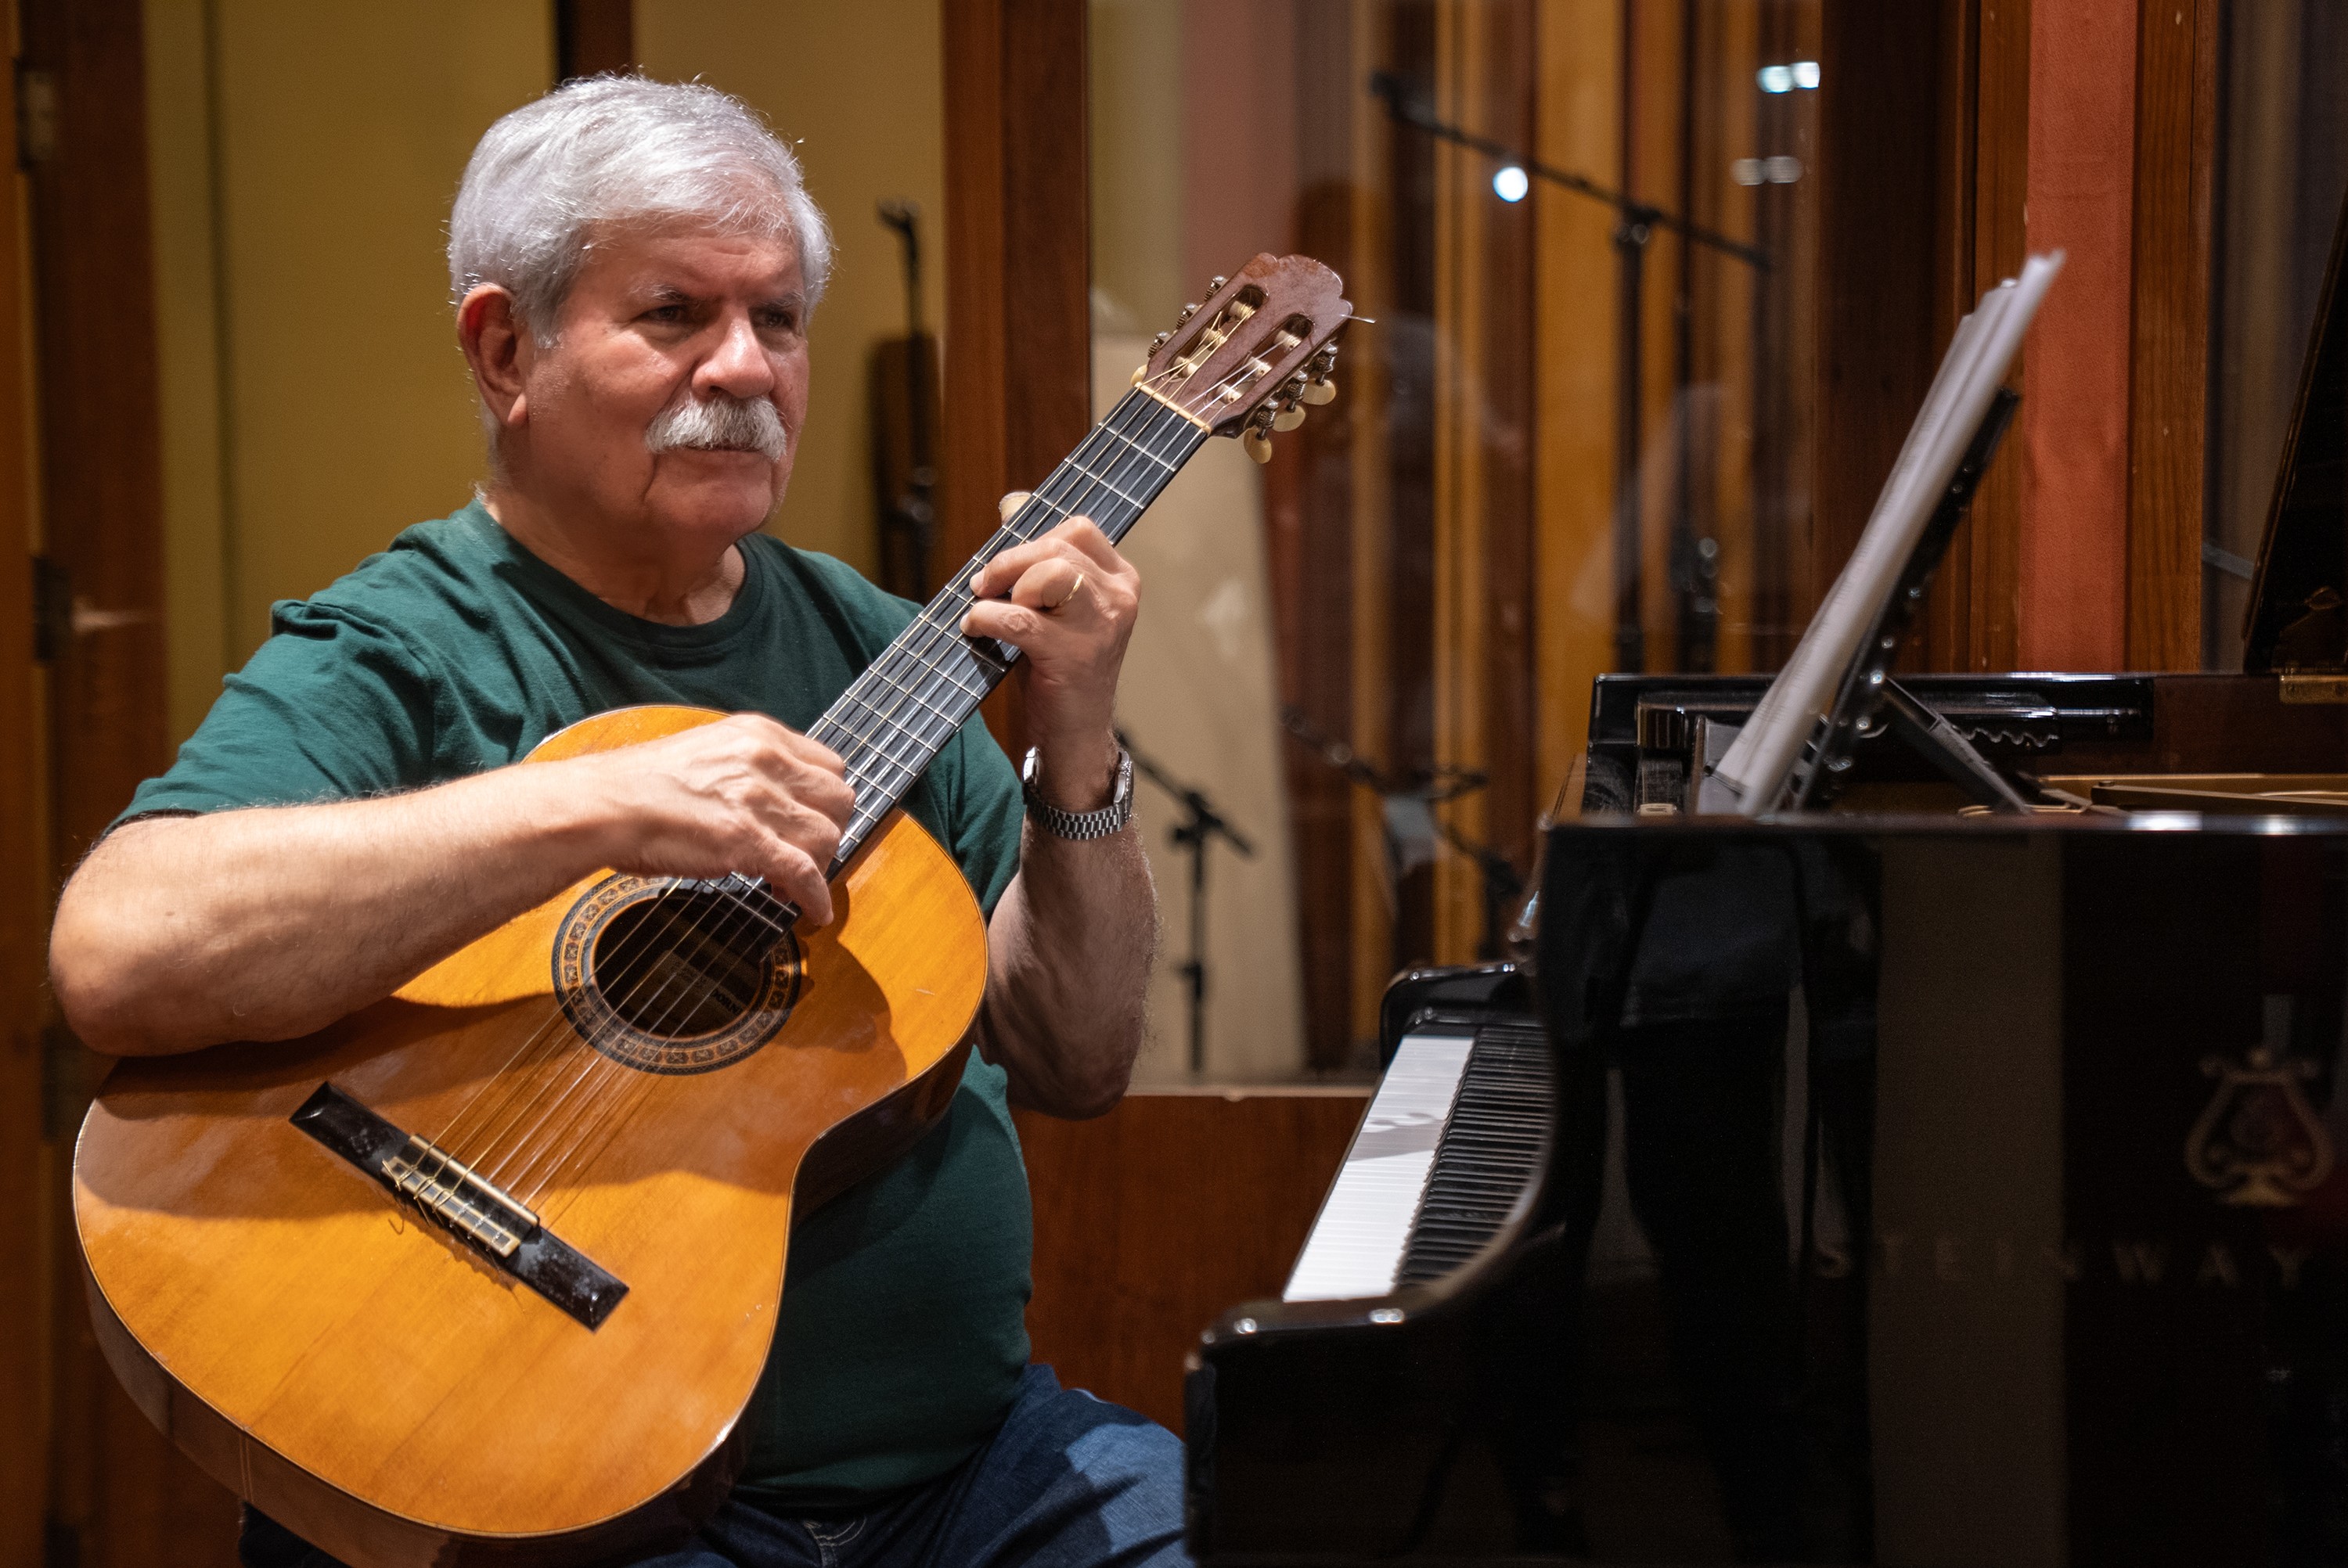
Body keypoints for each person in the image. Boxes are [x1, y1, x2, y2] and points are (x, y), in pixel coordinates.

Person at [48, 76, 1176, 1568]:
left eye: (778, 319)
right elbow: (117, 948)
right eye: (674, 315)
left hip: (969, 1482)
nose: (746, 366)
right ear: (505, 346)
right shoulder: (402, 647)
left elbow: (1080, 1055)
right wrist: (581, 805)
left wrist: (1080, 739)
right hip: (559, 1495)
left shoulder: (896, 657)